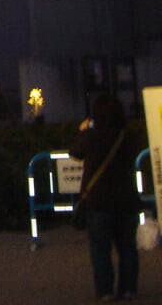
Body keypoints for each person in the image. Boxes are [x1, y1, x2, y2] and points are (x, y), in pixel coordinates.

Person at [70, 94, 143, 302]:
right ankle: (129, 289)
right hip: (127, 201)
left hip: (98, 202)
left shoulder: (92, 136)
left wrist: (83, 130)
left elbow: (75, 152)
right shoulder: (128, 136)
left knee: (100, 251)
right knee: (128, 248)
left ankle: (105, 292)